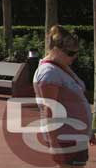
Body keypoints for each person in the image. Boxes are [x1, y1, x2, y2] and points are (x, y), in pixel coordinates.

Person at [33, 25, 95, 166]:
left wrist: (89, 131)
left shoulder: (60, 67)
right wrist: (54, 145)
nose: (75, 56)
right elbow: (49, 111)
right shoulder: (49, 73)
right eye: (71, 53)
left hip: (75, 136)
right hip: (65, 137)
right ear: (56, 50)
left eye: (76, 52)